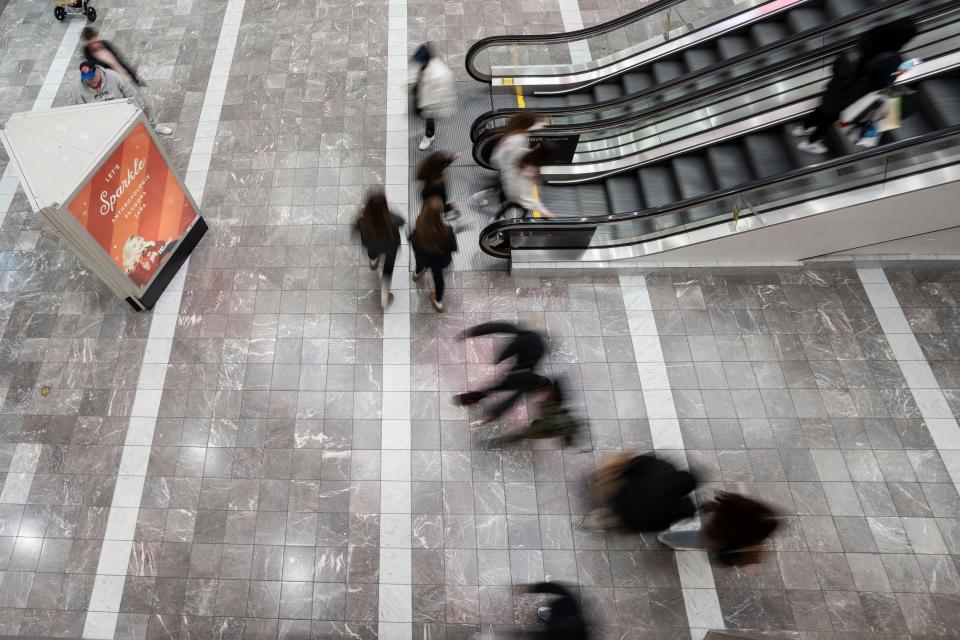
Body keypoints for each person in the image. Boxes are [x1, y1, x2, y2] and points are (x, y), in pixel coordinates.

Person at [792, 17, 917, 154]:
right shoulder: (891, 58)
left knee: (824, 106)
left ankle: (803, 128)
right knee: (832, 115)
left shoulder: (871, 35)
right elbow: (880, 84)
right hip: (853, 91)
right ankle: (811, 142)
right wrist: (897, 73)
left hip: (840, 78)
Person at [454, 322, 549, 424]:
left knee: (501, 387)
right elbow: (499, 329)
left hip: (519, 375)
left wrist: (473, 332)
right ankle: (478, 403)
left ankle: (475, 401)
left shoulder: (526, 337)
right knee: (500, 388)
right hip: (522, 374)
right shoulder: (531, 344)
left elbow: (499, 330)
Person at [657, 491, 779, 570]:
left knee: (693, 538)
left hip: (711, 534)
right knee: (693, 539)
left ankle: (667, 538)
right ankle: (667, 539)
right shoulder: (750, 535)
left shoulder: (741, 509)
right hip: (712, 538)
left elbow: (720, 506)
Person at [582, 452, 697, 531]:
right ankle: (593, 523)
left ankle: (593, 518)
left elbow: (639, 461)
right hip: (631, 518)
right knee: (614, 517)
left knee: (613, 509)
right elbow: (664, 521)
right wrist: (690, 510)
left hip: (621, 495)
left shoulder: (662, 468)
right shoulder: (673, 505)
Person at [73, 60, 173, 136]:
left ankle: (153, 126)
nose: (90, 80)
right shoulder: (78, 88)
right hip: (102, 118)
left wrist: (139, 108)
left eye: (91, 76)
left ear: (97, 70)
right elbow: (81, 111)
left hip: (122, 109)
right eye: (86, 77)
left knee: (145, 105)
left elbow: (132, 94)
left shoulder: (114, 76)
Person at [470, 111, 543, 208]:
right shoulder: (518, 139)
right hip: (507, 168)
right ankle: (476, 198)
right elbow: (512, 155)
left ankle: (480, 197)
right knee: (497, 187)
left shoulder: (514, 128)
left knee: (498, 186)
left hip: (503, 164)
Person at [493, 377, 585, 448]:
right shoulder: (553, 407)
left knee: (523, 435)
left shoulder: (550, 420)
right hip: (557, 422)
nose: (544, 396)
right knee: (535, 424)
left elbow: (554, 425)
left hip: (549, 427)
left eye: (549, 393)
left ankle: (497, 443)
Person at [355, 191, 405, 310]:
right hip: (390, 247)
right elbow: (402, 222)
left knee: (372, 252)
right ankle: (384, 298)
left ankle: (373, 261)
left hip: (371, 244)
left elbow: (356, 228)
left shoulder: (362, 220)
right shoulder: (392, 219)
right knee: (388, 270)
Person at [410, 196, 458, 313]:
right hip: (440, 262)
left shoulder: (418, 229)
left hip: (423, 258)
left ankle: (417, 274)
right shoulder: (448, 231)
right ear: (440, 215)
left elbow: (414, 244)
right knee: (438, 278)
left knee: (419, 264)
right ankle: (438, 302)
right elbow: (453, 248)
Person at [411, 43, 455, 151]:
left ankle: (429, 136)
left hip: (430, 103)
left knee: (429, 119)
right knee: (419, 112)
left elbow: (442, 93)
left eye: (420, 62)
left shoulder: (439, 74)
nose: (418, 65)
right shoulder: (424, 66)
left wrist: (431, 107)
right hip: (422, 95)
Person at [498, 144, 556, 219]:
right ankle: (497, 218)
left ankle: (497, 217)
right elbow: (524, 193)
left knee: (512, 204)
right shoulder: (532, 169)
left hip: (509, 182)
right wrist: (543, 210)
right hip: (515, 192)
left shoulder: (524, 152)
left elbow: (510, 162)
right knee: (513, 204)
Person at [416, 151, 460, 221]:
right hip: (435, 211)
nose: (445, 177)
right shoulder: (431, 193)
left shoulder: (430, 170)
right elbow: (435, 208)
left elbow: (440, 165)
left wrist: (450, 159)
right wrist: (449, 206)